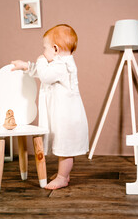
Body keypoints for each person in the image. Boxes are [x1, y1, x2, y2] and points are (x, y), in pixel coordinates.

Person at [11, 24, 89, 190]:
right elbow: (43, 73)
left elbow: (45, 75)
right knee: (64, 147)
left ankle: (62, 177)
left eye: (44, 47)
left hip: (67, 118)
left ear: (55, 49)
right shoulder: (59, 63)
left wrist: (40, 59)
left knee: (66, 149)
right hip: (63, 115)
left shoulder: (63, 65)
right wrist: (26, 65)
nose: (43, 51)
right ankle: (64, 175)